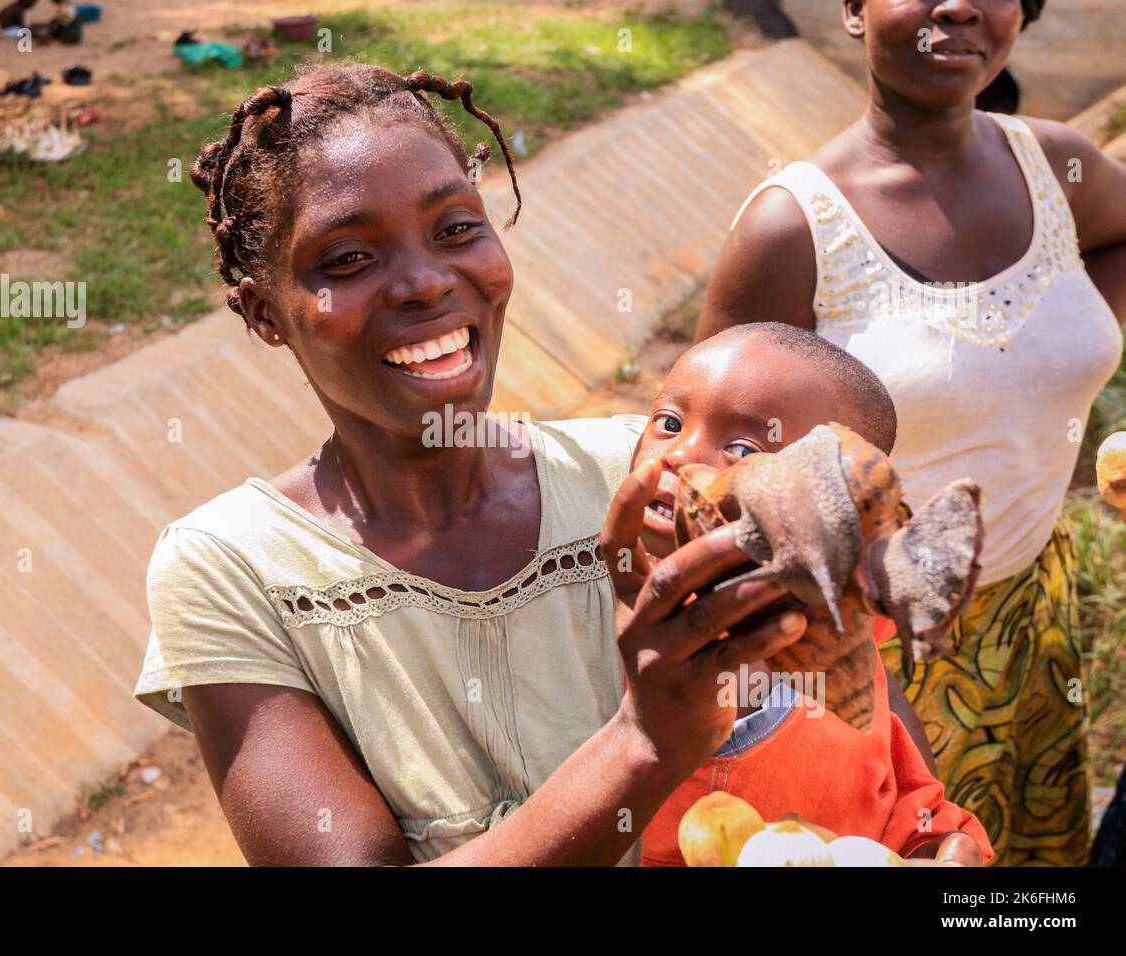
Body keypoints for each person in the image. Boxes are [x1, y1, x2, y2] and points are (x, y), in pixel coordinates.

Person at [133, 63, 807, 865]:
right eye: (347, 259)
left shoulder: (642, 474)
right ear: (263, 312)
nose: (424, 282)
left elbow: (848, 684)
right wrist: (640, 744)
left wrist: (920, 830)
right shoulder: (233, 568)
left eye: (456, 229)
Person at [694, 0, 1126, 865]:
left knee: (1030, 883)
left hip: (1035, 608)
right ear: (854, 9)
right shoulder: (793, 230)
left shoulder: (1061, 167)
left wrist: (1059, 362)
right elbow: (708, 467)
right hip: (865, 658)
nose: (958, 4)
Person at [618, 323, 989, 866]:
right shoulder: (610, 613)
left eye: (742, 448)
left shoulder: (835, 606)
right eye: (669, 422)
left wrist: (929, 837)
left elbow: (885, 716)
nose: (680, 453)